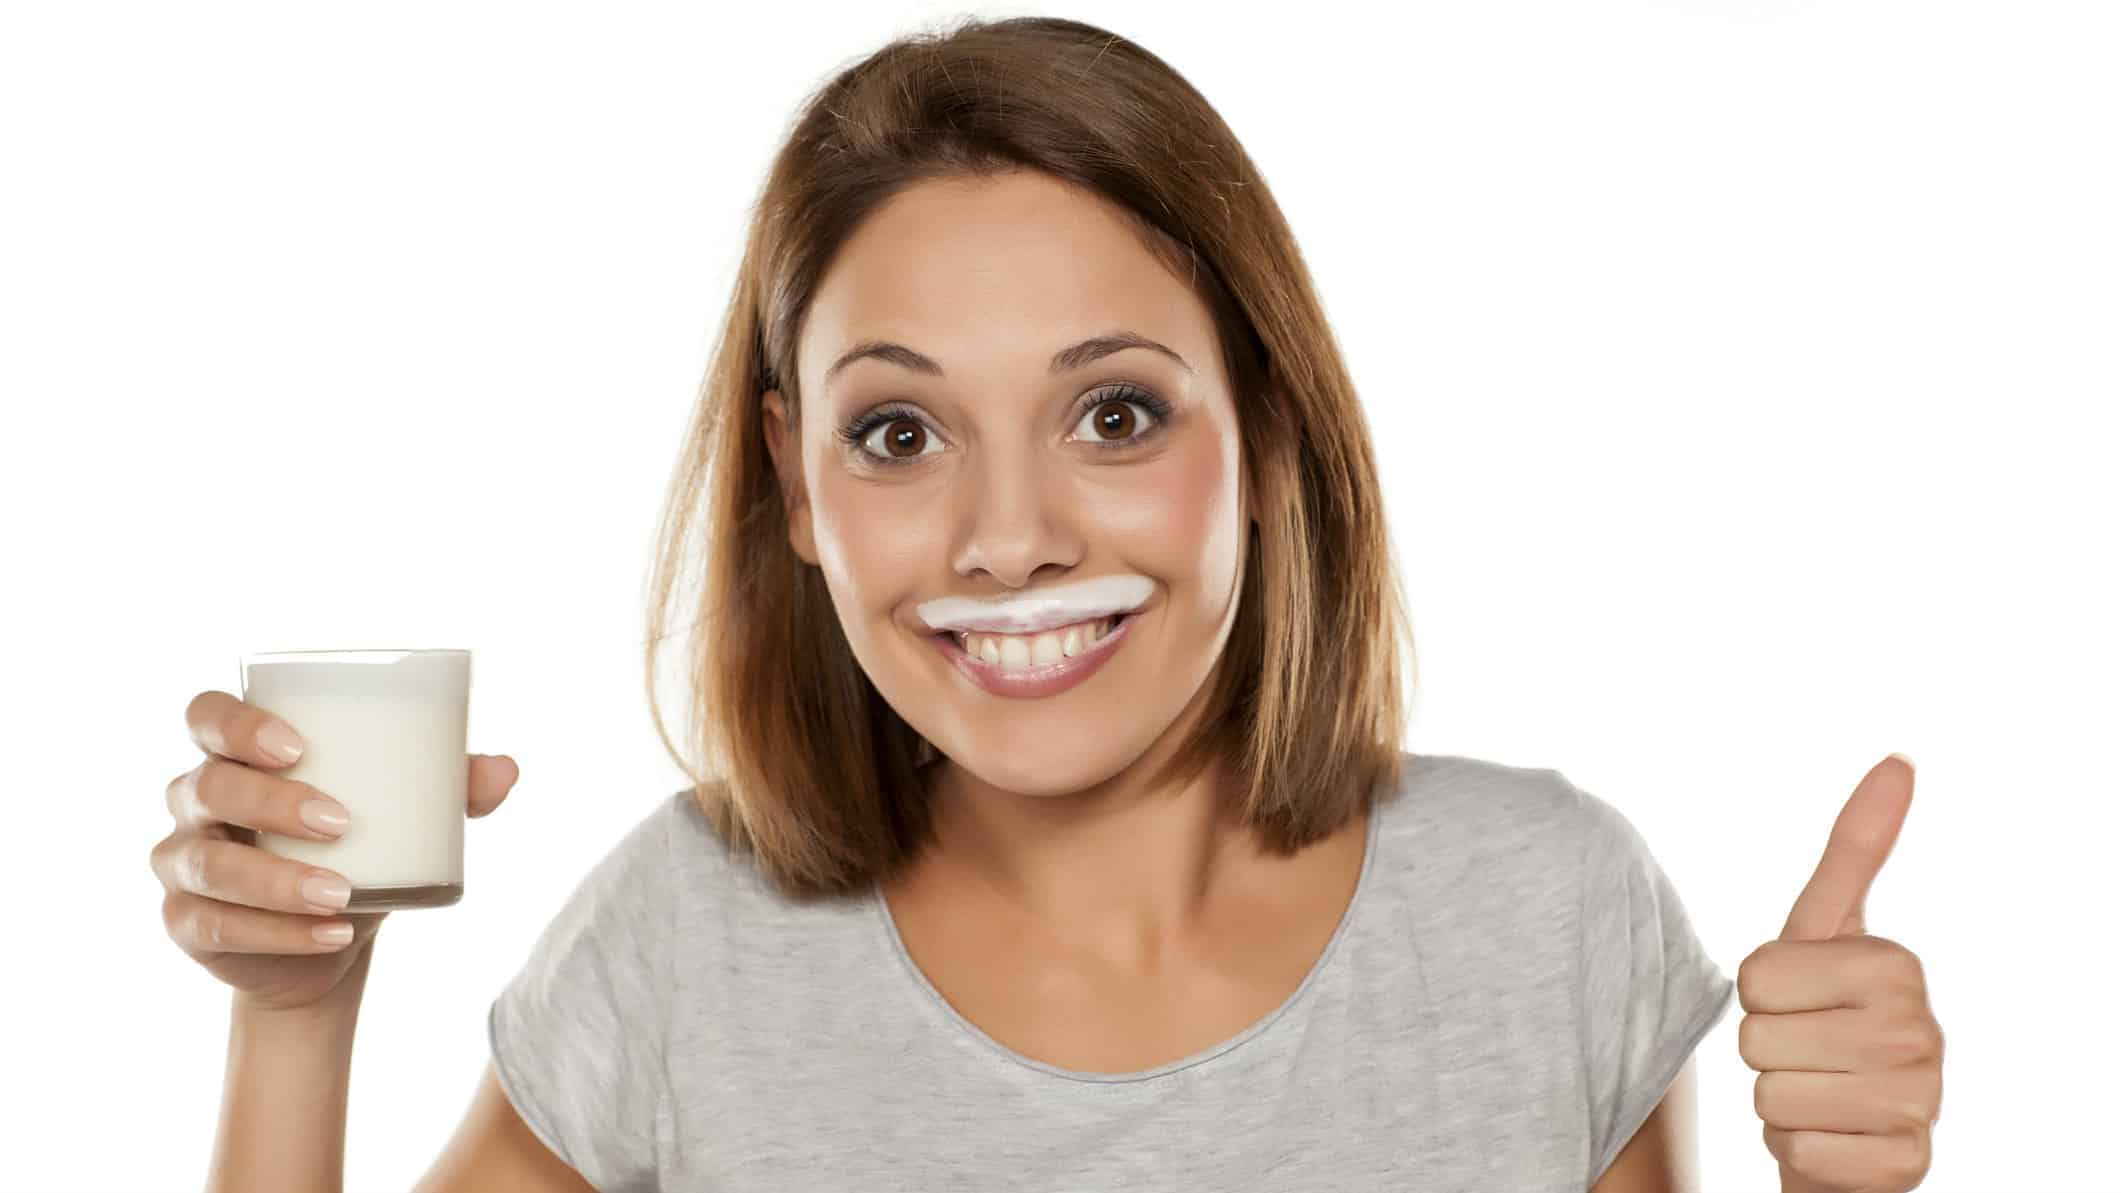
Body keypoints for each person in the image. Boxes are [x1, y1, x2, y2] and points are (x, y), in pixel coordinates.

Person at [154, 16, 1734, 1192]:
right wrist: (296, 1015)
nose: (1008, 539)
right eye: (899, 434)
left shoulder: (1543, 917)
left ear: (1265, 427)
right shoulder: (690, 935)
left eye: (1113, 412)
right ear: (792, 478)